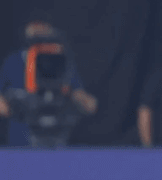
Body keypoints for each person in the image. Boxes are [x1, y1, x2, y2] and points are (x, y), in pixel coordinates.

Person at [0, 15, 97, 147]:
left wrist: (83, 101)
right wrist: (14, 107)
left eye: (43, 28)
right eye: (35, 28)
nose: (39, 32)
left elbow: (81, 96)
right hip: (20, 142)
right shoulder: (13, 61)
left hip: (56, 139)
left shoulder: (61, 61)